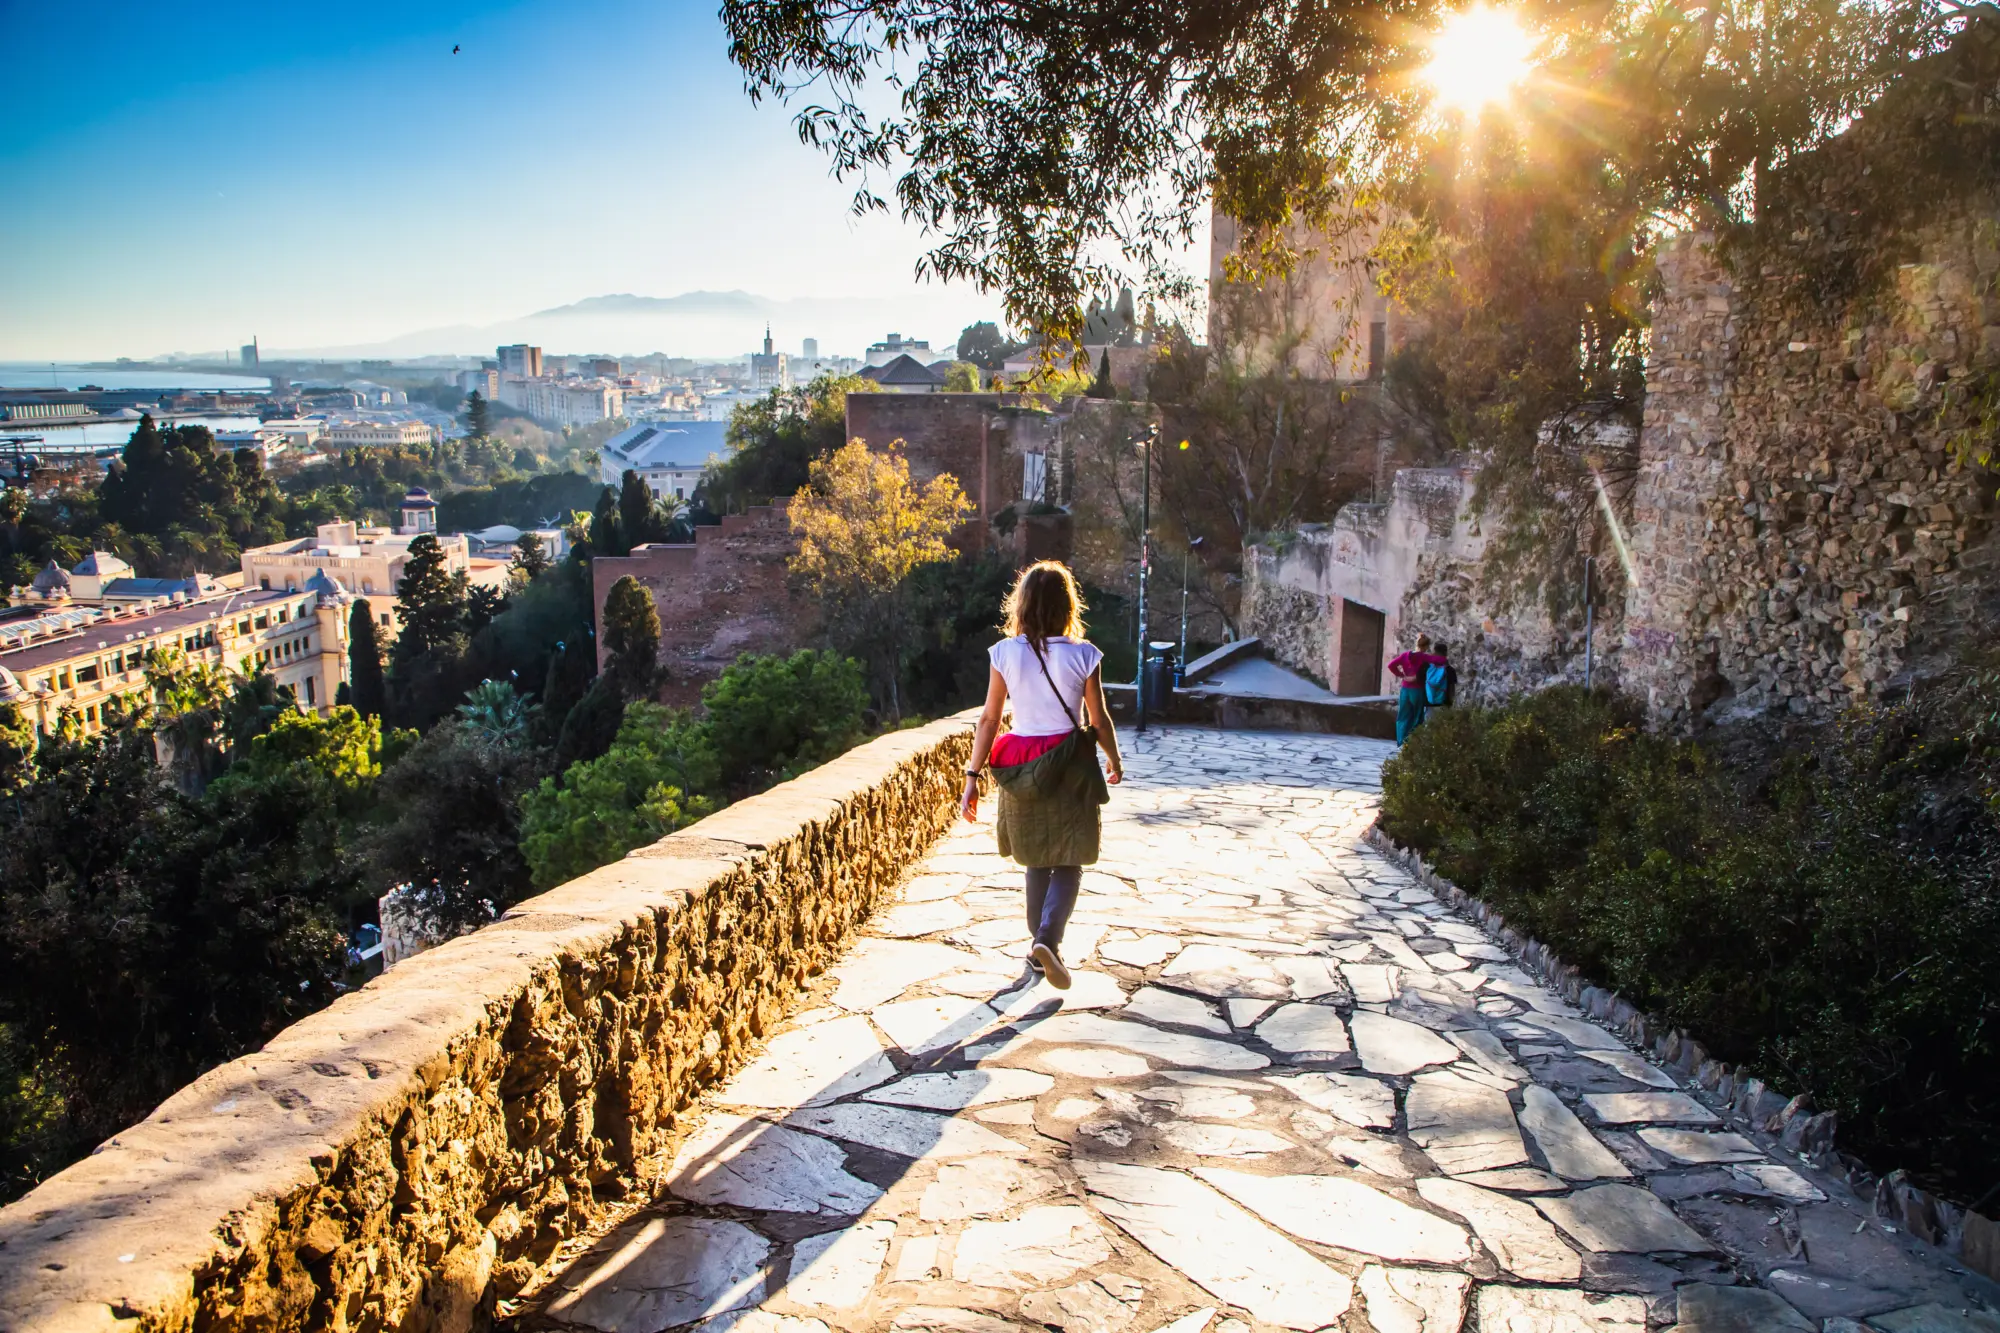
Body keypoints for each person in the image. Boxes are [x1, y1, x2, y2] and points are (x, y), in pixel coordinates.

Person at [962, 561, 1124, 989]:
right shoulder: (1084, 655)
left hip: (1020, 762)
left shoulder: (1004, 653)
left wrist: (972, 777)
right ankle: (1048, 940)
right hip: (1069, 764)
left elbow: (989, 720)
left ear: (1024, 605)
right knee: (1069, 860)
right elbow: (1099, 717)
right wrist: (1114, 759)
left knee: (1035, 861)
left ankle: (1038, 951)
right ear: (1067, 605)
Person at [1387, 633, 1443, 744]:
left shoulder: (1405, 656)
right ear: (1426, 646)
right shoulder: (1424, 657)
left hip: (1405, 690)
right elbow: (1441, 661)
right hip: (1417, 691)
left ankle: (1401, 742)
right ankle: (1411, 741)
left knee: (1403, 716)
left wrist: (1402, 676)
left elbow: (1391, 665)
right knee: (1417, 716)